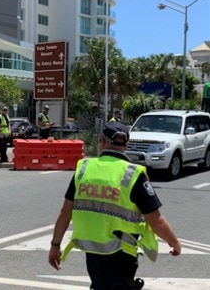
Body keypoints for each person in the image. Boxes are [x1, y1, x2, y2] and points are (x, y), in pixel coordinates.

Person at [48, 122, 181, 290]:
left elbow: (65, 213)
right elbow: (156, 221)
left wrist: (55, 246)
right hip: (123, 252)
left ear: (102, 141)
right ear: (126, 145)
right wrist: (174, 242)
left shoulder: (85, 169)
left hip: (93, 252)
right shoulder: (133, 174)